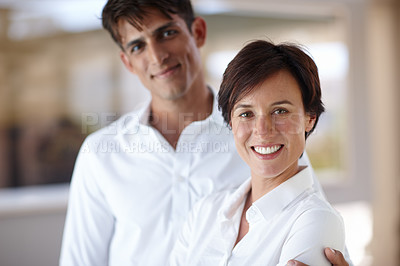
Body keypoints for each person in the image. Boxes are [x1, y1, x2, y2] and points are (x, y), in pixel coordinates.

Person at [59, 0, 351, 265]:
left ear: (197, 31)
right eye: (138, 46)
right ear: (127, 63)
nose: (157, 55)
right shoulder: (99, 154)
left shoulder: (265, 142)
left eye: (167, 33)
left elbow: (318, 230)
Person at [169, 40, 345, 265]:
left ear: (309, 118)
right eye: (246, 114)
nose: (263, 130)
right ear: (230, 122)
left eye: (280, 111)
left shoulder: (317, 220)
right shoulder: (205, 212)